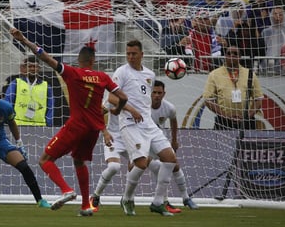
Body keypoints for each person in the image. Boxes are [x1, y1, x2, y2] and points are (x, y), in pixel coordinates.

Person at [10, 28, 128, 216]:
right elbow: (122, 97)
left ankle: (66, 190)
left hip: (76, 125)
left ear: (79, 60)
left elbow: (44, 57)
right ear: (93, 61)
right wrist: (117, 110)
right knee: (79, 161)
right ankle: (85, 206)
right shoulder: (103, 77)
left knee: (45, 160)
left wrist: (24, 39)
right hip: (93, 130)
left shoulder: (72, 73)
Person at [112, 39, 178, 216]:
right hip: (129, 124)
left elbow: (144, 99)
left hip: (147, 124)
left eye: (134, 54)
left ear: (142, 54)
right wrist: (131, 109)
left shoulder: (150, 74)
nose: (130, 57)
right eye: (128, 54)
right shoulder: (121, 72)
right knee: (141, 163)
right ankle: (127, 198)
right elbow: (111, 98)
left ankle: (157, 202)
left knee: (170, 158)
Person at [149, 80, 198, 212]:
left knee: (174, 165)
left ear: (164, 94)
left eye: (159, 93)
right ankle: (127, 199)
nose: (156, 95)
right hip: (145, 143)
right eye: (154, 92)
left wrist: (174, 140)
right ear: (150, 93)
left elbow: (174, 121)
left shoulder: (169, 107)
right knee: (136, 168)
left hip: (160, 140)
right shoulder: (143, 106)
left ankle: (185, 198)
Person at [203, 46, 264, 130]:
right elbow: (208, 100)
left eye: (235, 53)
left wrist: (248, 116)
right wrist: (225, 116)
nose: (232, 55)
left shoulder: (250, 74)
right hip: (223, 122)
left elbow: (258, 99)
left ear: (240, 57)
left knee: (248, 143)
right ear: (225, 56)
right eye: (229, 53)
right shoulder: (214, 75)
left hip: (247, 122)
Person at [4, 56, 54, 126]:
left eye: (35, 66)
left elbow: (50, 107)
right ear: (25, 68)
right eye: (30, 66)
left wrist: (48, 124)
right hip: (19, 125)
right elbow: (8, 103)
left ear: (39, 68)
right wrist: (12, 121)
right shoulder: (15, 83)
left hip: (40, 126)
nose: (32, 69)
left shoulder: (46, 86)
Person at [260, 6, 285, 75]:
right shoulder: (266, 31)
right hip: (268, 63)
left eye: (280, 14)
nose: (278, 17)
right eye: (275, 14)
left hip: (283, 63)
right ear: (271, 15)